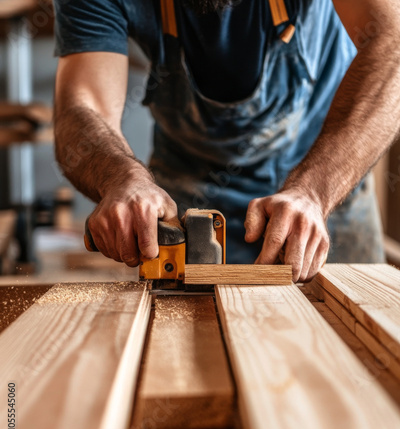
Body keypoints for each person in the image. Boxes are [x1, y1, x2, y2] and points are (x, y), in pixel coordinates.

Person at [53, 0, 398, 282]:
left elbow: (393, 43)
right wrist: (120, 178)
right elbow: (83, 106)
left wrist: (314, 192)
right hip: (188, 198)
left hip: (326, 184)